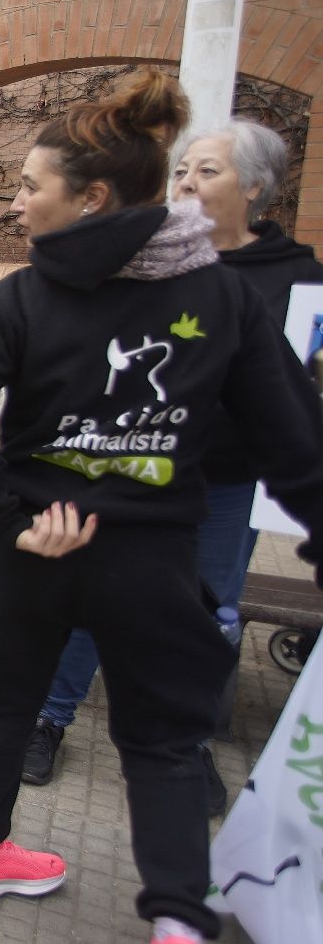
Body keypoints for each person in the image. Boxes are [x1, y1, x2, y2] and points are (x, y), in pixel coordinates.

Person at [0, 69, 323, 944]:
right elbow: (294, 444)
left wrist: (8, 515)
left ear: (90, 197)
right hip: (149, 559)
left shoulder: (24, 296)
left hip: (29, 553)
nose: (14, 203)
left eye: (29, 187)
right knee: (163, 740)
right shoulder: (220, 296)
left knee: (3, 704)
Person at [20, 117, 323, 809]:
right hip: (121, 472)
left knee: (203, 613)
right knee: (91, 598)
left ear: (256, 187)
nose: (186, 182)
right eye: (182, 169)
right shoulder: (143, 257)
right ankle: (49, 718)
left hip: (220, 487)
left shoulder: (298, 281)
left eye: (206, 171)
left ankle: (183, 746)